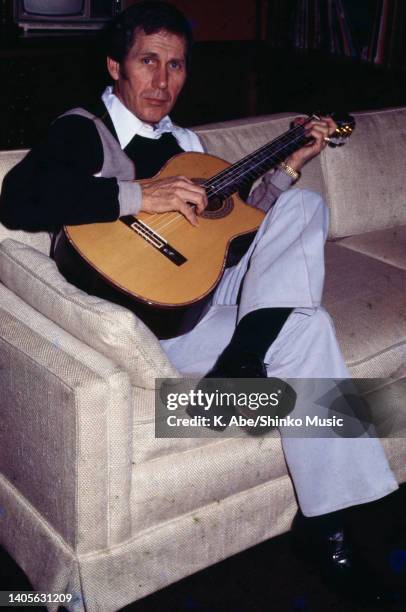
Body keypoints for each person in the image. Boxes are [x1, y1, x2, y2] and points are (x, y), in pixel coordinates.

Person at [0, 1, 402, 604]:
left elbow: (230, 237)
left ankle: (317, 510)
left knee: (303, 220)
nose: (163, 82)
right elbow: (19, 200)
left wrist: (287, 166)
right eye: (147, 61)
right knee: (315, 344)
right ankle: (324, 517)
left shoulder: (188, 143)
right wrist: (143, 195)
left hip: (199, 309)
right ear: (116, 66)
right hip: (147, 320)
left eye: (177, 66)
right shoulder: (84, 130)